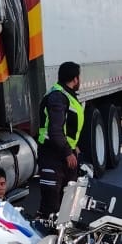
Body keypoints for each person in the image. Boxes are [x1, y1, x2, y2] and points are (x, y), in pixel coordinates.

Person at [36, 61, 83, 217]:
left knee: (68, 203)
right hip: (52, 155)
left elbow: (66, 127)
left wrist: (73, 146)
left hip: (61, 154)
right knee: (51, 206)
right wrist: (67, 152)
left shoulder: (65, 95)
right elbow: (55, 130)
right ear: (75, 79)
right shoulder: (58, 97)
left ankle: (63, 237)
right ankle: (47, 239)